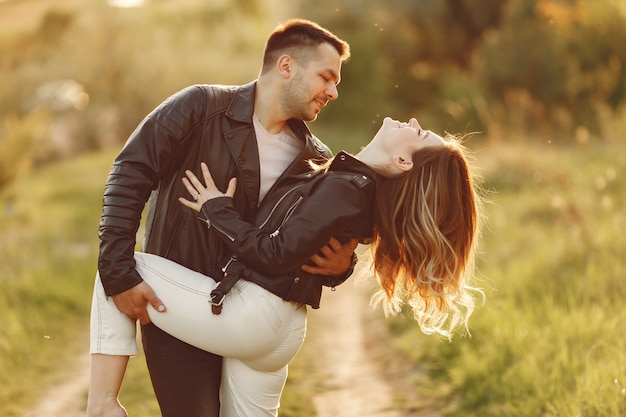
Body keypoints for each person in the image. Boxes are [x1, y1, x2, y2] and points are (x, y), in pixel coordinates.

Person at [88, 116, 483, 417]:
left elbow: (276, 253)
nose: (412, 122)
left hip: (256, 313)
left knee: (121, 266)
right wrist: (338, 268)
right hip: (281, 327)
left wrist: (217, 210)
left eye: (419, 135)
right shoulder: (355, 188)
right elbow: (307, 247)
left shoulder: (347, 188)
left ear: (401, 160)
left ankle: (104, 404)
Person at [89, 18, 355, 417]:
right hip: (180, 305)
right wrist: (120, 272)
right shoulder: (200, 107)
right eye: (326, 77)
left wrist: (340, 267)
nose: (333, 91)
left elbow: (302, 239)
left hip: (252, 312)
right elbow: (131, 171)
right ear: (286, 67)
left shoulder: (315, 158)